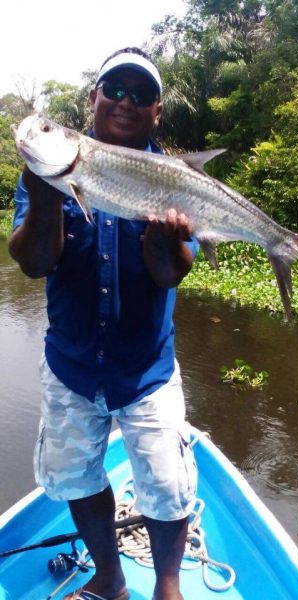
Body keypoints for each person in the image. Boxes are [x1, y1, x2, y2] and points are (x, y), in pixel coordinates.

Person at [8, 48, 199, 600]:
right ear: (92, 99)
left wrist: (164, 238)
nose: (125, 101)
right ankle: (110, 580)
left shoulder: (170, 175)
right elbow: (33, 262)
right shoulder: (47, 174)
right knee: (78, 480)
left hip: (146, 369)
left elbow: (169, 276)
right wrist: (46, 189)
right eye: (114, 88)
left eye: (141, 95)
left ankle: (168, 588)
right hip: (70, 364)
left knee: (166, 487)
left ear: (157, 113)